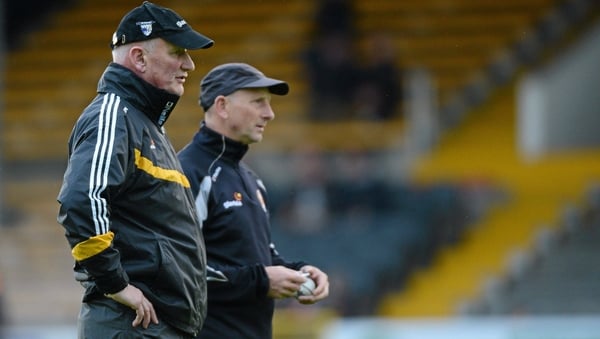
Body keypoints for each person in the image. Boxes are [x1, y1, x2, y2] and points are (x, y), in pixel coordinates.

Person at [56, 2, 214, 338]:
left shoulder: (145, 124)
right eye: (177, 51)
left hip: (154, 324)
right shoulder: (113, 115)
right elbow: (80, 201)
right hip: (132, 324)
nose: (189, 63)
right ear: (139, 58)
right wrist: (115, 284)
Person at [178, 63, 330, 339]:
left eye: (269, 104)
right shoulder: (187, 173)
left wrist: (298, 272)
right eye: (258, 102)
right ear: (222, 106)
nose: (269, 114)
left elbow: (261, 257)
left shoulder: (251, 179)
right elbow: (177, 268)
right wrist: (262, 281)